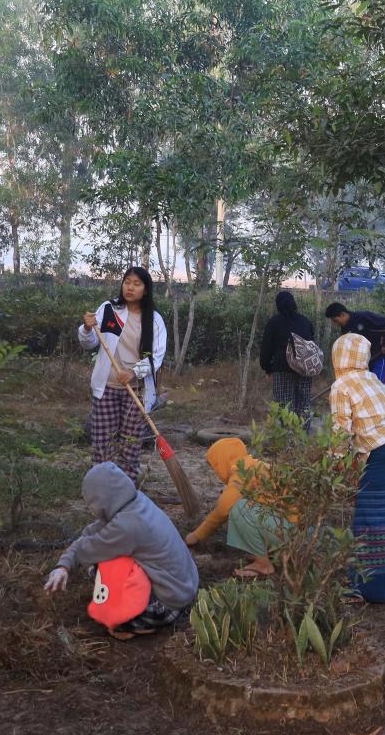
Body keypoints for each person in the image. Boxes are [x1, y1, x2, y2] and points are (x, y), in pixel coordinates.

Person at [45, 461, 199, 638]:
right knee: (114, 558)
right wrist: (65, 563)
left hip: (168, 605)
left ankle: (135, 624)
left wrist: (63, 566)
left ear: (100, 501)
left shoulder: (126, 527)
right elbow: (93, 531)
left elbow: (86, 550)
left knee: (100, 568)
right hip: (186, 588)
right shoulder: (136, 502)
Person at [329, 333, 385, 603]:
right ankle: (372, 583)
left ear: (338, 357)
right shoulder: (373, 380)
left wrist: (333, 470)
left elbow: (340, 433)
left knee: (372, 526)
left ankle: (366, 591)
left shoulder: (342, 385)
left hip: (382, 456)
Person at [80, 267, 168, 481]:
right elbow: (89, 343)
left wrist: (133, 372)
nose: (130, 287)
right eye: (127, 282)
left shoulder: (154, 320)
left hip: (136, 391)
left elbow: (156, 356)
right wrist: (87, 329)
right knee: (103, 442)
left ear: (145, 289)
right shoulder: (108, 309)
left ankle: (128, 485)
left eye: (137, 284)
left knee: (131, 444)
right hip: (107, 389)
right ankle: (102, 484)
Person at [186, 439, 286, 579]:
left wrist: (197, 535)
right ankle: (270, 552)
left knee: (239, 509)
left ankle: (263, 566)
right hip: (299, 529)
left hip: (293, 532)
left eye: (215, 465)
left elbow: (223, 509)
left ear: (222, 461)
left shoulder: (242, 471)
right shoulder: (254, 465)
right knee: (250, 506)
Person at [258, 291, 315, 419]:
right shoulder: (305, 321)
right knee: (304, 405)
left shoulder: (274, 322)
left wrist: (267, 368)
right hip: (305, 368)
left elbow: (266, 348)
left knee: (284, 405)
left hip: (282, 368)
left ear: (278, 305)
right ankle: (303, 431)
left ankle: (286, 431)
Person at [325, 302, 385, 389]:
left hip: (378, 356)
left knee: (377, 383)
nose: (336, 324)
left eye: (335, 321)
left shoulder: (363, 317)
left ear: (342, 314)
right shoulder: (345, 328)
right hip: (364, 362)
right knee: (366, 386)